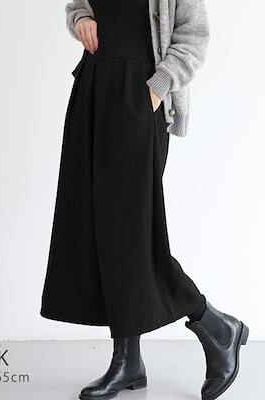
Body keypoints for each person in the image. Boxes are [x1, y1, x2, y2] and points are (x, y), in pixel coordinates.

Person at [40, 1, 249, 399]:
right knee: (100, 228)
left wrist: (157, 88)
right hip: (93, 90)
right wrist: (81, 19)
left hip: (139, 95)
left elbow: (194, 35)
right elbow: (78, 6)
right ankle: (129, 362)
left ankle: (216, 327)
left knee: (130, 233)